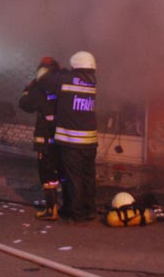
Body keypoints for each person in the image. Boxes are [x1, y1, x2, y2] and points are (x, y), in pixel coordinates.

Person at [37, 50, 98, 222]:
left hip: (72, 141)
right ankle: (89, 210)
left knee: (74, 178)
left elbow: (43, 79)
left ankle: (77, 214)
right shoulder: (92, 81)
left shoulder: (65, 79)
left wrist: (46, 66)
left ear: (75, 66)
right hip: (90, 142)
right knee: (88, 177)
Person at [19, 57, 61, 220]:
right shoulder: (63, 84)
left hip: (45, 139)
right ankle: (67, 206)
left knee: (47, 173)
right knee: (62, 172)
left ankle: (51, 209)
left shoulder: (39, 87)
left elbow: (24, 103)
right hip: (63, 138)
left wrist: (27, 88)